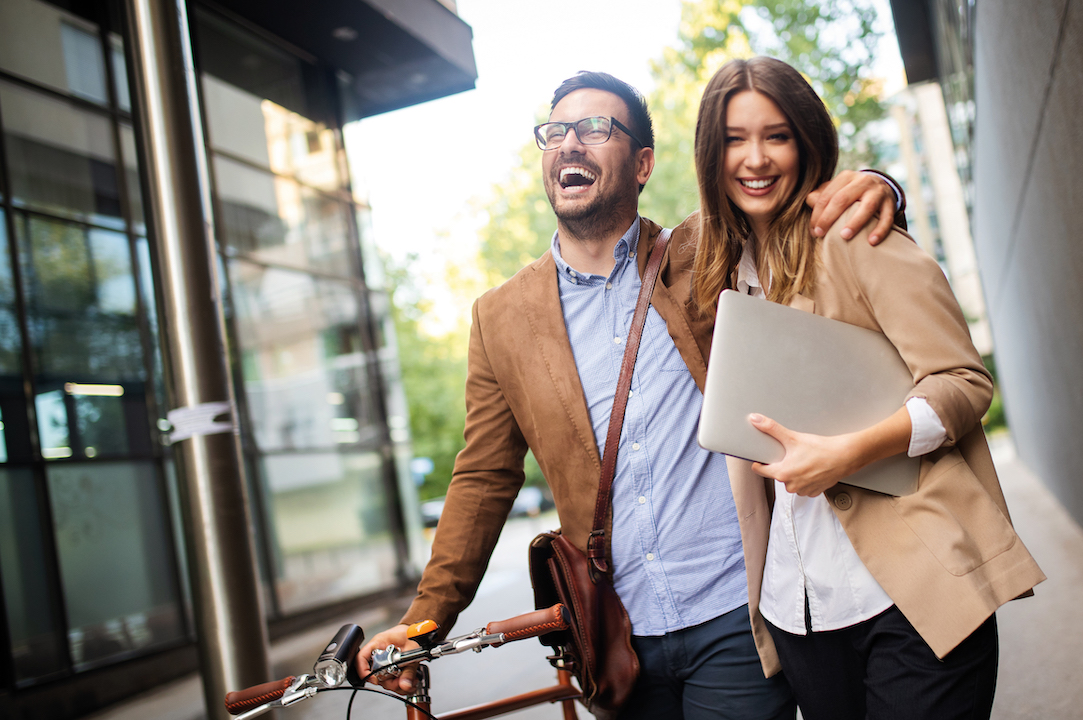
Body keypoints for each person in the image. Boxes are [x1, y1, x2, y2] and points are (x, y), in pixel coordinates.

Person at [355, 71, 908, 719]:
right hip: (616, 638)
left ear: (642, 163)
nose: (570, 144)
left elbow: (786, 201)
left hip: (736, 610)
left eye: (595, 129)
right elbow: (483, 477)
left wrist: (879, 184)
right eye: (556, 132)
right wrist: (424, 623)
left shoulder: (708, 248)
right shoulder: (501, 316)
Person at [686, 56, 1046, 720]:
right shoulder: (716, 272)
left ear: (807, 141)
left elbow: (963, 383)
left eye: (777, 135)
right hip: (799, 612)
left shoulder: (855, 236)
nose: (756, 158)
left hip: (909, 593)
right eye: (735, 138)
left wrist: (850, 453)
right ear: (712, 153)